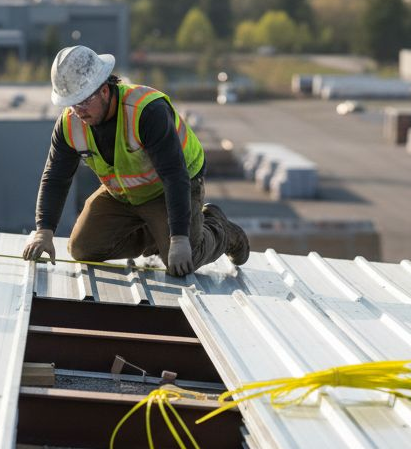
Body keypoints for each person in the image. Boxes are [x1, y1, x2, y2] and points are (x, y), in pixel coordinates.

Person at [21, 45, 249, 276]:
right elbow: (56, 177)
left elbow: (174, 175)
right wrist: (44, 231)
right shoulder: (69, 124)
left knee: (182, 261)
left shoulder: (146, 111)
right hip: (122, 194)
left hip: (174, 186)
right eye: (72, 102)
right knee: (82, 249)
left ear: (104, 89)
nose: (78, 110)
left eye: (83, 101)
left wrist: (179, 238)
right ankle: (160, 233)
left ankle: (220, 229)